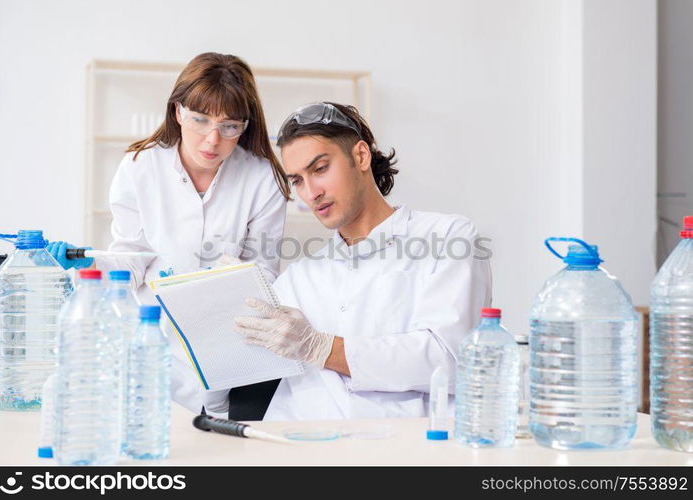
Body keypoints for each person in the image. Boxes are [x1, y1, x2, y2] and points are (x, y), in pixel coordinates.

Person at [47, 53, 290, 416]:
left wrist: (225, 283)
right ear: (177, 111)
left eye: (229, 126)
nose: (212, 140)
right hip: (151, 336)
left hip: (225, 342)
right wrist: (87, 264)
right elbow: (131, 257)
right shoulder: (139, 166)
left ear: (245, 125)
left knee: (212, 445)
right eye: (199, 119)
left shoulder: (262, 178)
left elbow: (264, 274)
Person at [232, 102, 492, 420]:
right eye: (297, 180)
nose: (311, 192)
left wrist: (322, 348)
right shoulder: (300, 278)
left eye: (320, 168)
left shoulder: (448, 238)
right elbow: (239, 366)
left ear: (360, 156)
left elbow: (451, 362)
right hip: (301, 452)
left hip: (407, 454)